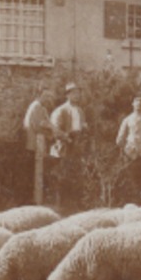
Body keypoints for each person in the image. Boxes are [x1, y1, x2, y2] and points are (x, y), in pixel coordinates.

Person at [48, 82, 88, 211]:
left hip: (77, 146)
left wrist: (84, 130)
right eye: (74, 93)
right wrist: (67, 138)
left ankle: (75, 205)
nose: (77, 95)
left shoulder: (80, 110)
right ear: (68, 95)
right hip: (64, 146)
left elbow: (82, 127)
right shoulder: (61, 110)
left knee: (76, 176)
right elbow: (55, 130)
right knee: (63, 177)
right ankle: (62, 206)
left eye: (78, 93)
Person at [114, 95, 141, 206]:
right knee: (131, 180)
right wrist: (125, 148)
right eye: (137, 101)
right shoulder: (127, 120)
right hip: (130, 154)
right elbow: (119, 138)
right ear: (132, 104)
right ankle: (132, 204)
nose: (139, 103)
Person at [22, 87, 57, 204]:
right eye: (45, 96)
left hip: (37, 144)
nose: (47, 98)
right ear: (39, 95)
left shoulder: (41, 107)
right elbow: (38, 126)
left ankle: (36, 199)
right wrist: (49, 134)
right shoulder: (36, 106)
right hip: (34, 144)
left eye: (49, 96)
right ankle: (33, 201)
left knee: (37, 173)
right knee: (35, 173)